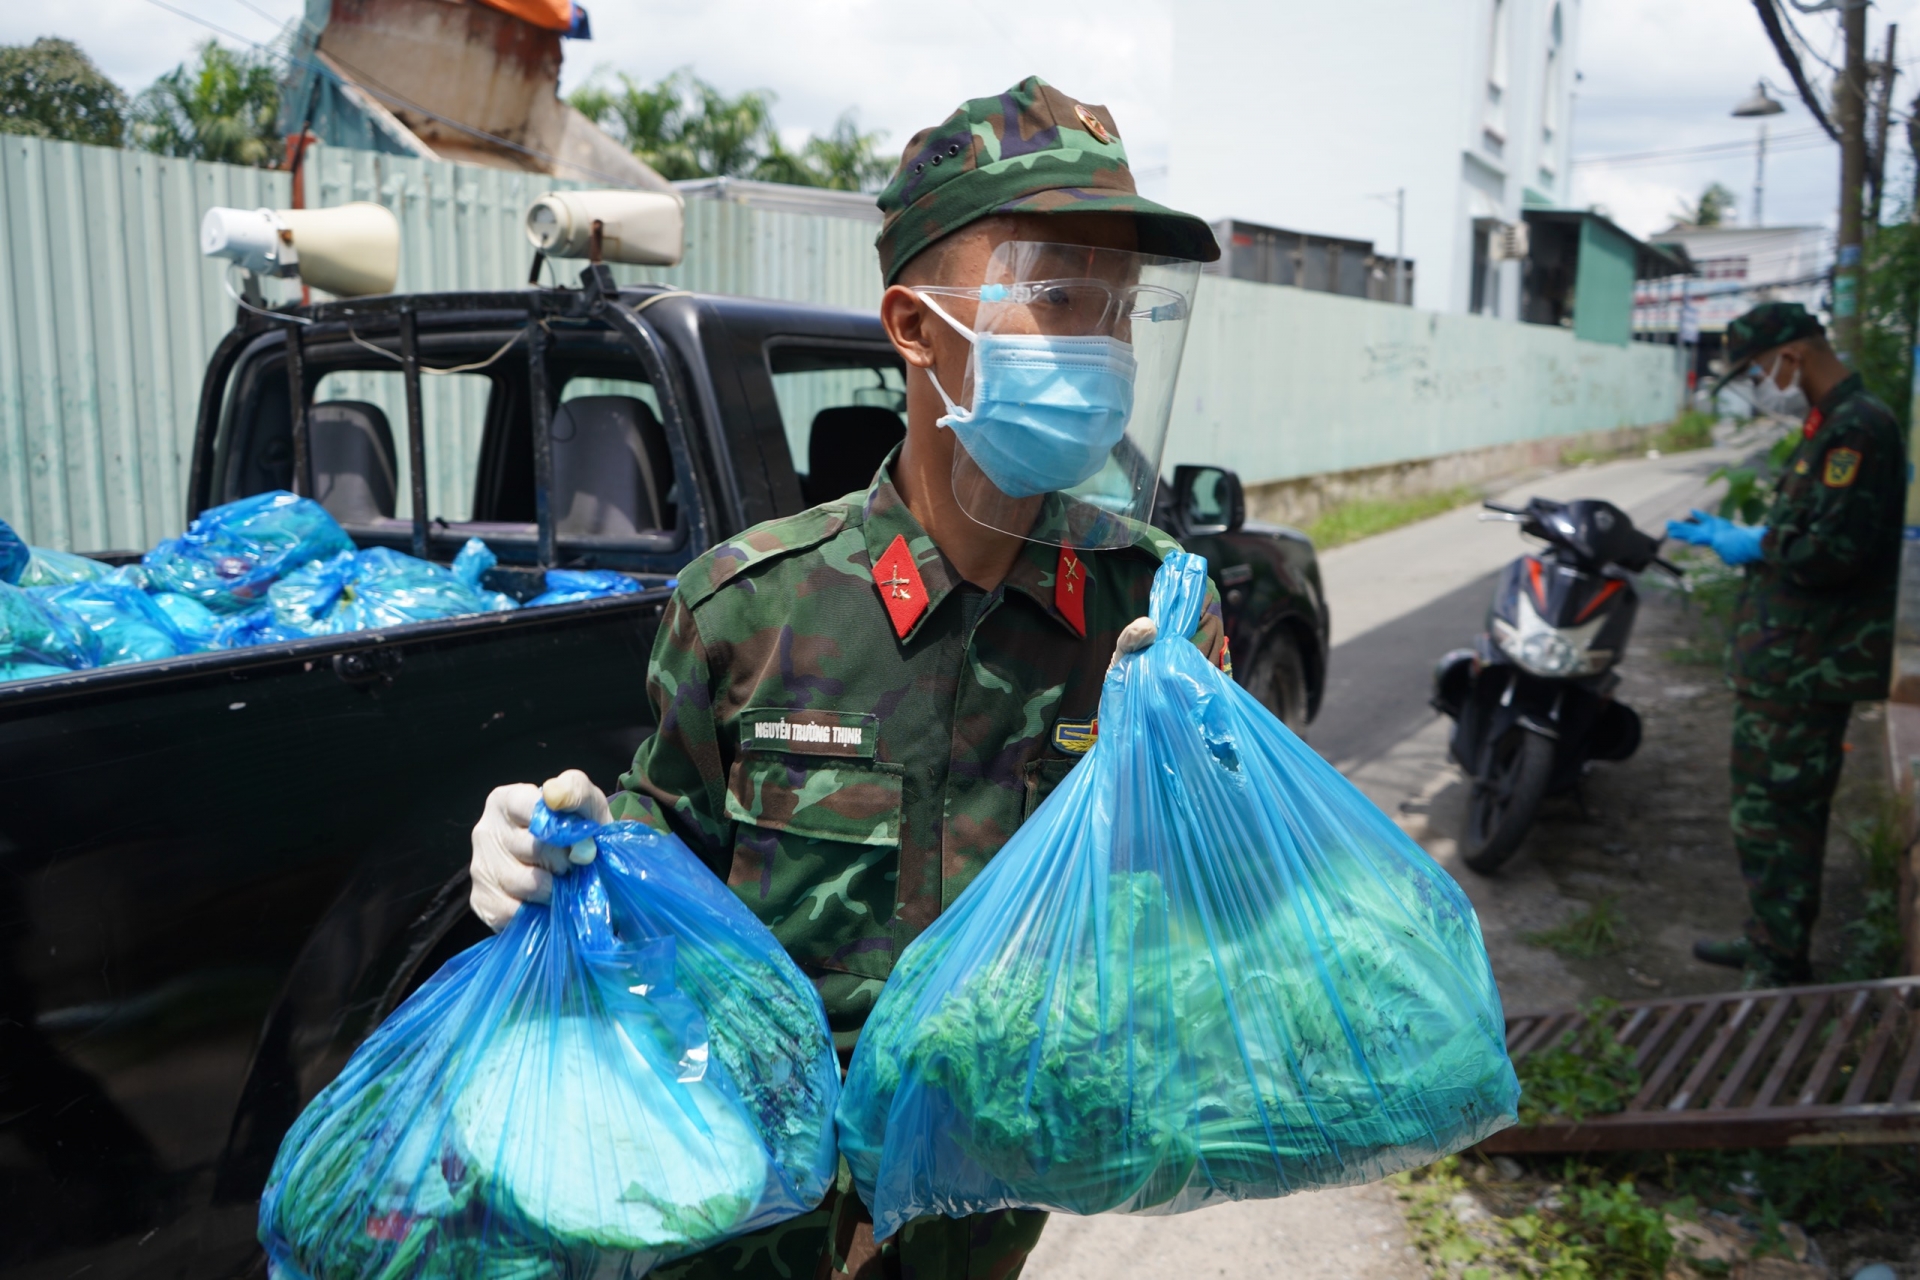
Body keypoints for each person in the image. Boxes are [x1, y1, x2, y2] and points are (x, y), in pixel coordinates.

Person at [468, 76, 1226, 1279]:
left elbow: (1201, 919)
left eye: (1124, 311)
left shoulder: (1147, 613)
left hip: (982, 1222)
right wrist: (557, 849)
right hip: (753, 1220)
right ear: (916, 328)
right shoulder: (748, 607)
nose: (1104, 349)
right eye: (1061, 296)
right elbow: (667, 862)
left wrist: (1196, 762)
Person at [1668, 302, 1905, 988]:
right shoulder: (1829, 423)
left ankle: (1779, 963)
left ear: (1793, 356)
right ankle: (1771, 937)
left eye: (1758, 368)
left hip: (1809, 664)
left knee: (1782, 813)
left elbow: (1832, 551)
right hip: (1788, 660)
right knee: (1766, 812)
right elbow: (1811, 527)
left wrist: (1753, 542)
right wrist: (1746, 538)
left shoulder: (1857, 428)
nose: (1758, 381)